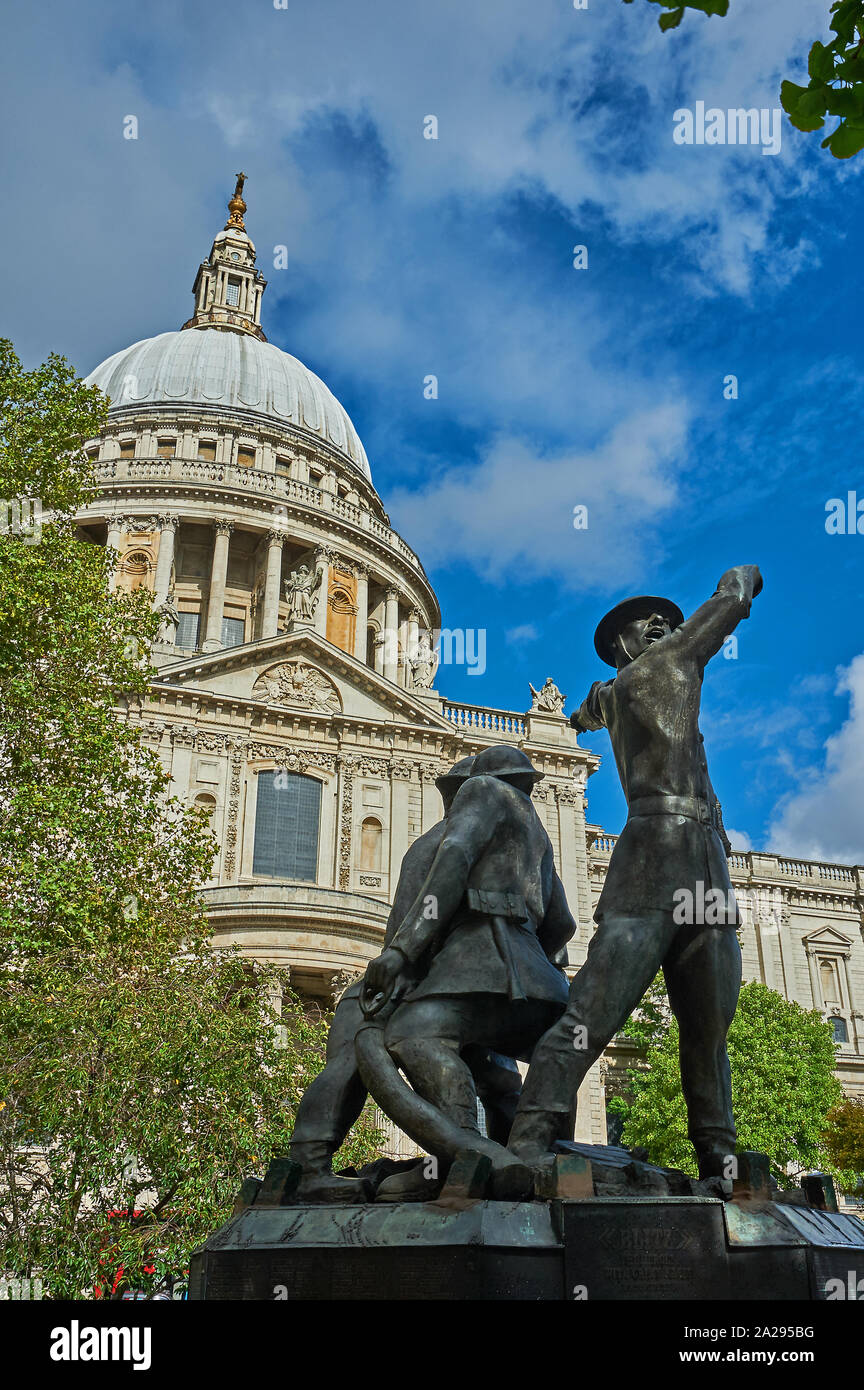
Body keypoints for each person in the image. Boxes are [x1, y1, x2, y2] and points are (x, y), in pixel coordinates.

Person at [507, 566, 762, 1181]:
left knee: (702, 1022)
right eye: (650, 624)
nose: (665, 627)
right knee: (607, 1006)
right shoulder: (668, 662)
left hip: (700, 858)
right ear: (626, 644)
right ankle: (535, 1129)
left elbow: (584, 711)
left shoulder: (618, 690)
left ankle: (717, 1153)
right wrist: (741, 579)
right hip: (663, 853)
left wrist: (587, 705)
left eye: (668, 623)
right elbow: (729, 597)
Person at [287, 755, 521, 1202]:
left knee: (361, 1048)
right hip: (435, 985)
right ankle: (496, 1158)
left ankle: (312, 1163)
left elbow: (412, 924)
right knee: (489, 1071)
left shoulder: (454, 846)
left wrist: (405, 965)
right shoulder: (465, 848)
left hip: (426, 985)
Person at [361, 744, 576, 1194]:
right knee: (530, 1061)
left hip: (484, 966)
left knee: (412, 1033)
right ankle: (545, 1155)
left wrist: (402, 952)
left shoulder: (481, 792)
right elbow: (564, 923)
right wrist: (536, 956)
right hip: (544, 987)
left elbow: (454, 859)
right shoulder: (536, 828)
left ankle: (465, 1154)